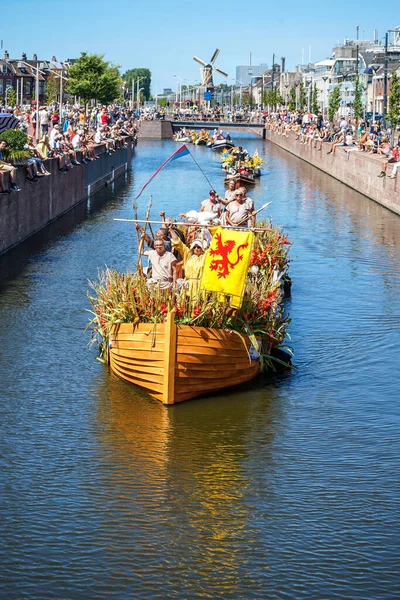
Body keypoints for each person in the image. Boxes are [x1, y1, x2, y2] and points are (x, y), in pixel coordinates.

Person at [167, 223, 207, 299]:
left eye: (198, 247)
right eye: (194, 247)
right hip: (188, 285)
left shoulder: (205, 257)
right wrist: (170, 230)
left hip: (200, 285)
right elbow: (178, 243)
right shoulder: (188, 255)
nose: (196, 249)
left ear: (202, 248)